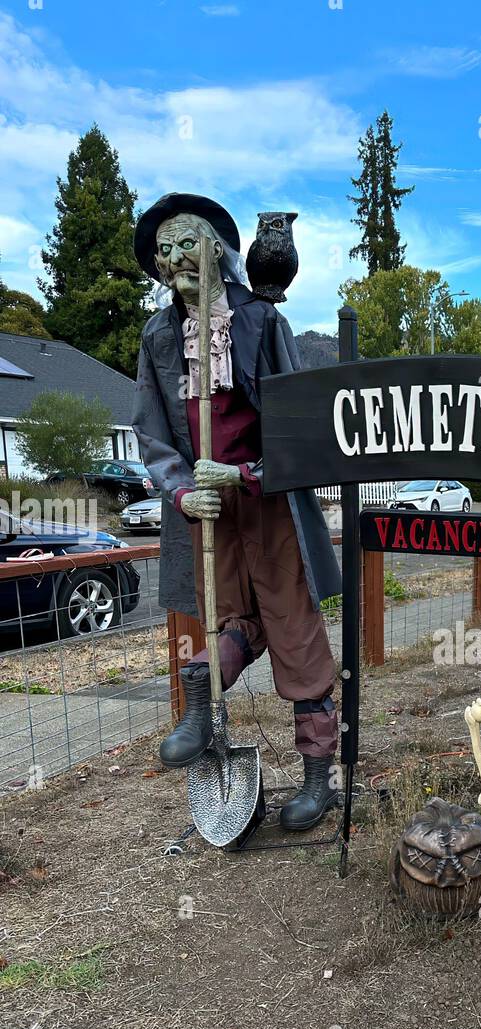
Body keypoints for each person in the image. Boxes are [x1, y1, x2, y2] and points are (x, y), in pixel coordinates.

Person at [132, 192, 342, 829]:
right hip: (206, 514)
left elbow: (302, 425)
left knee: (293, 628)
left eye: (185, 245)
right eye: (163, 252)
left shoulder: (258, 320)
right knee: (229, 619)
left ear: (217, 250)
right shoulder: (161, 336)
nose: (173, 261)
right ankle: (200, 698)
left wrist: (247, 472)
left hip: (269, 504)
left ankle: (318, 777)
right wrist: (179, 489)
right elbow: (151, 433)